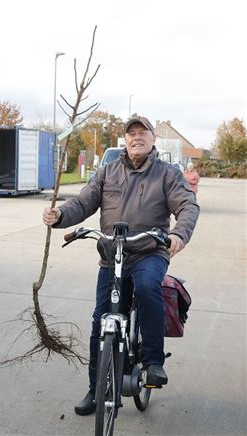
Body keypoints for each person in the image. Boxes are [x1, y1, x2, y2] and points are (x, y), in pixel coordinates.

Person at [42, 115, 199, 416]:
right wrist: (60, 215)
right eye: (131, 134)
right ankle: (96, 389)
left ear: (153, 139)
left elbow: (187, 205)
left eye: (143, 133)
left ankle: (153, 362)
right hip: (111, 255)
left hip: (149, 252)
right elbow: (83, 202)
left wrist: (179, 234)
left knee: (146, 286)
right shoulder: (108, 172)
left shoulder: (167, 174)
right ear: (124, 140)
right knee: (100, 321)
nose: (136, 137)